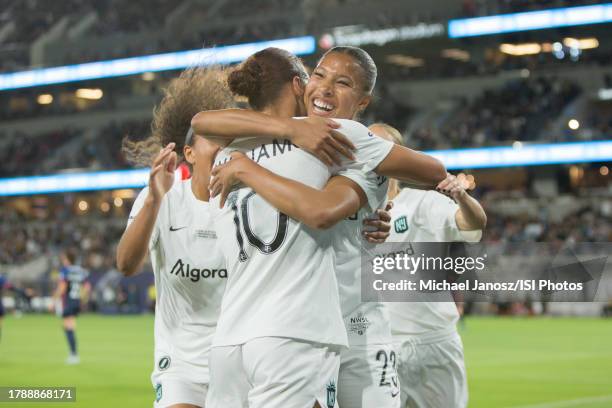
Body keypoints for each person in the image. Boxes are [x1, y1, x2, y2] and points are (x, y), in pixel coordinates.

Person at [194, 46, 446, 408]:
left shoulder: (232, 145)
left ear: (363, 100)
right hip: (299, 327)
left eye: (342, 82)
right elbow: (323, 210)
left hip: (242, 333)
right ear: (300, 85)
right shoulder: (338, 134)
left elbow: (201, 122)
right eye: (320, 76)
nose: (325, 89)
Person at [116, 68, 235, 408]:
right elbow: (126, 264)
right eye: (213, 138)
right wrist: (154, 199)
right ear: (190, 154)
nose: (224, 147)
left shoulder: (248, 205)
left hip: (237, 362)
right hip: (180, 365)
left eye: (228, 140)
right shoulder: (164, 200)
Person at [370, 123, 487, 408]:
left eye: (378, 147)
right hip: (378, 347)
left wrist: (461, 196)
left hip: (432, 343)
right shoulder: (348, 210)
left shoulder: (422, 202)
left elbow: (473, 224)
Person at [53, 248, 90, 365]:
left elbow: (62, 287)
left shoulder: (65, 271)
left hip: (68, 301)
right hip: (76, 301)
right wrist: (83, 299)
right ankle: (73, 354)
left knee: (68, 327)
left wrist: (53, 300)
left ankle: (73, 355)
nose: (62, 260)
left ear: (67, 259)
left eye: (63, 258)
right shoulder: (81, 271)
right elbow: (87, 287)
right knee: (69, 326)